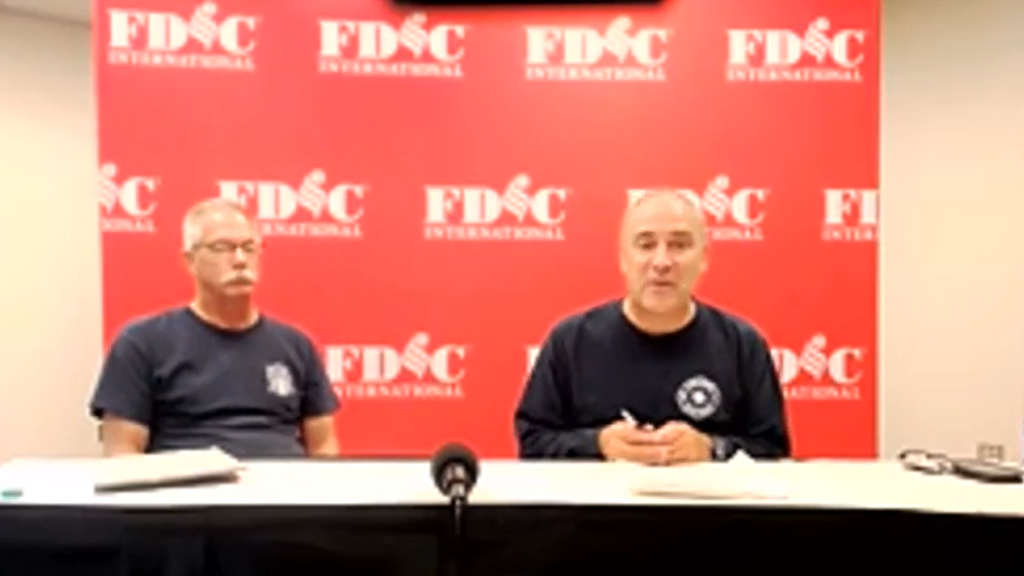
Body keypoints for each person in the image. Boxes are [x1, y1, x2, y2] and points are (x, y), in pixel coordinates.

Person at [514, 189, 790, 464]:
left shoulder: (742, 345)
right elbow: (533, 442)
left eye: (679, 245)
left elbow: (772, 449)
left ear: (703, 257)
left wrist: (711, 448)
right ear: (623, 258)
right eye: (646, 245)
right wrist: (597, 444)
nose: (661, 262)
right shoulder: (570, 342)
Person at [89, 198, 340, 459]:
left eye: (249, 248)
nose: (240, 260)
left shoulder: (296, 345)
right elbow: (122, 451)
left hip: (282, 481)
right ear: (190, 260)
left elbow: (324, 446)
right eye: (222, 248)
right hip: (191, 482)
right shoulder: (142, 343)